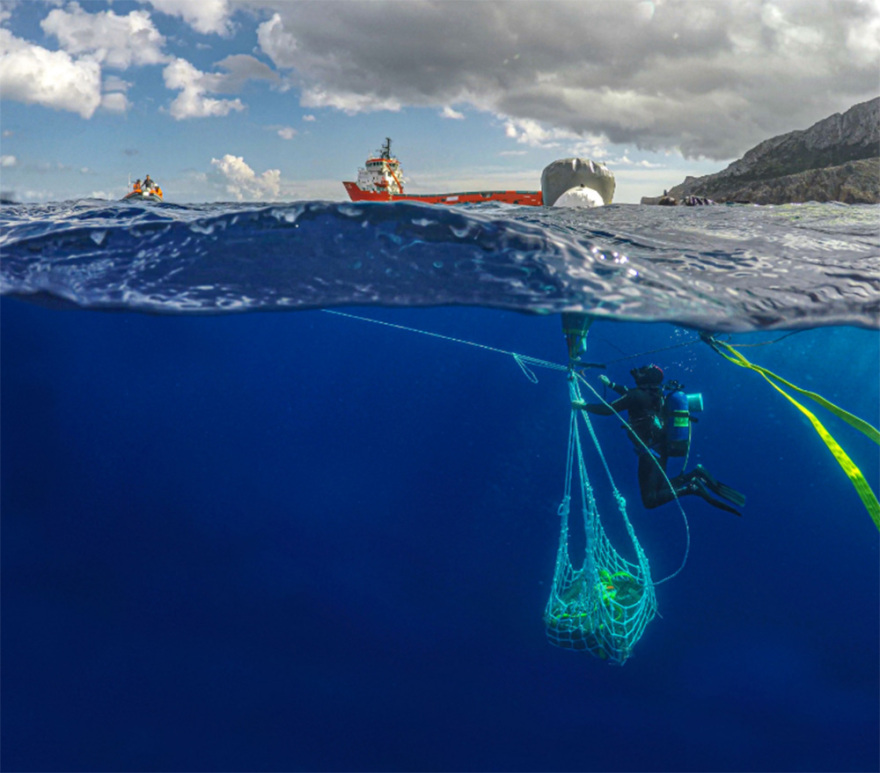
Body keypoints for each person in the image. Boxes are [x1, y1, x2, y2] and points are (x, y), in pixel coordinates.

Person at [575, 364, 746, 515]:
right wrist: (610, 384)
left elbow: (608, 410)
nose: (638, 374)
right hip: (661, 449)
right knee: (662, 489)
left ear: (645, 378)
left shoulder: (636, 395)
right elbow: (629, 393)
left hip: (648, 453)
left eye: (642, 372)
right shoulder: (657, 393)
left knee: (650, 500)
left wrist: (583, 405)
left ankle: (692, 487)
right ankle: (695, 475)